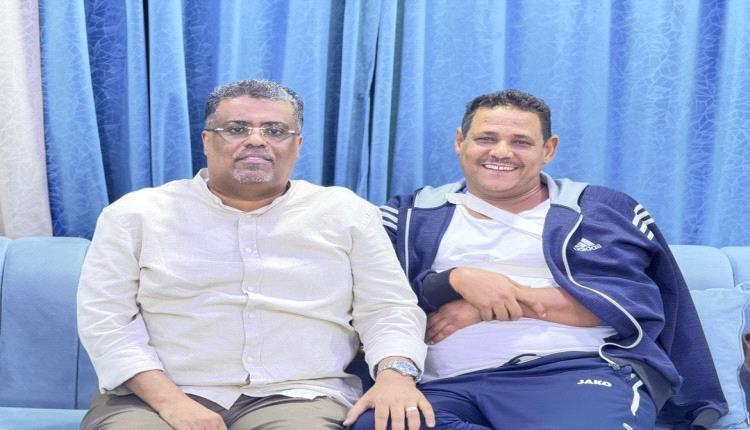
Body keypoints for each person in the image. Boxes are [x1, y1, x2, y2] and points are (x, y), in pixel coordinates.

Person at [353, 89, 727, 429]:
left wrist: (495, 302)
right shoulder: (408, 215)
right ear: (460, 141)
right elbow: (377, 300)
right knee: (373, 425)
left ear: (548, 149)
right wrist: (454, 279)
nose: (501, 152)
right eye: (486, 138)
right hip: (444, 384)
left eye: (521, 142)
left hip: (573, 373)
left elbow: (628, 303)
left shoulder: (603, 210)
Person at [77, 79, 436, 430]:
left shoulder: (346, 213)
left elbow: (388, 308)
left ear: (297, 145)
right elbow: (107, 322)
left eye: (275, 131)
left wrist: (396, 375)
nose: (256, 140)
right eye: (236, 129)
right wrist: (173, 404)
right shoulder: (134, 215)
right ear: (206, 141)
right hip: (154, 399)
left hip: (299, 396)